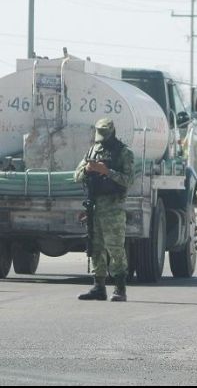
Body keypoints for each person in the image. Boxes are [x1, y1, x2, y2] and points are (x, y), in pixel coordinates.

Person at [74, 118, 135, 302]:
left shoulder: (124, 153)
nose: (102, 140)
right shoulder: (93, 150)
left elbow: (129, 180)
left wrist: (107, 171)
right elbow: (76, 176)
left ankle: (120, 288)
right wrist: (86, 169)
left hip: (113, 207)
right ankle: (98, 287)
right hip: (94, 206)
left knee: (115, 248)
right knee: (95, 247)